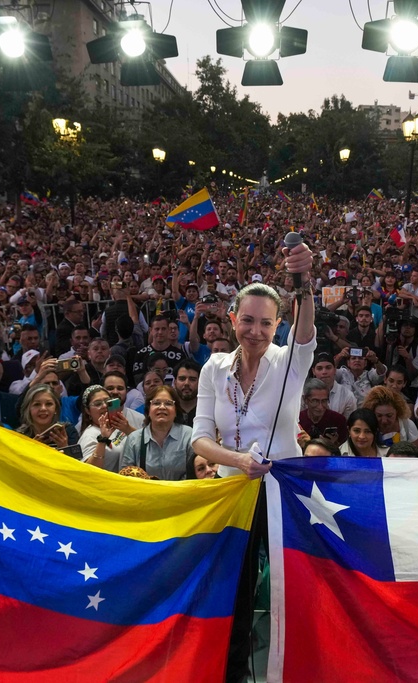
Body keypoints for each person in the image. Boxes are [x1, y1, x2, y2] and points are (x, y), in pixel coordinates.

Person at [191, 241, 314, 683]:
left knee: (291, 589)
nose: (256, 331)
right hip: (232, 493)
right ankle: (235, 673)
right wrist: (237, 461)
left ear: (277, 324)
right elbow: (201, 440)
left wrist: (305, 284)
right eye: (247, 320)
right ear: (232, 320)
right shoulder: (213, 369)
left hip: (286, 495)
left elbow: (305, 332)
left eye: (266, 323)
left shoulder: (289, 362)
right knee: (235, 592)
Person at [120, 385, 194, 481]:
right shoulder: (134, 439)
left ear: (176, 411)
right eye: (156, 403)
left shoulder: (189, 435)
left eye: (168, 403)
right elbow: (125, 477)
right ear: (148, 410)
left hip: (182, 493)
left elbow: (195, 472)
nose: (162, 407)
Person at [15, 384, 78, 451]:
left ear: (56, 409)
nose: (43, 408)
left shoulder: (67, 431)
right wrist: (32, 450)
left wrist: (64, 447)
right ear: (28, 409)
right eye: (37, 404)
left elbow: (77, 461)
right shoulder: (19, 436)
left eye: (48, 404)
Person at [76, 385, 123, 471]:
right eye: (98, 404)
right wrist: (102, 440)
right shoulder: (89, 435)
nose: (104, 406)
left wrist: (127, 428)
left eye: (107, 401)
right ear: (87, 411)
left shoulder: (118, 425)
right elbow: (89, 471)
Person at [298, 378, 348, 448]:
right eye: (315, 401)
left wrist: (333, 445)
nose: (320, 407)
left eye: (324, 401)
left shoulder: (338, 420)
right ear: (305, 400)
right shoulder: (298, 420)